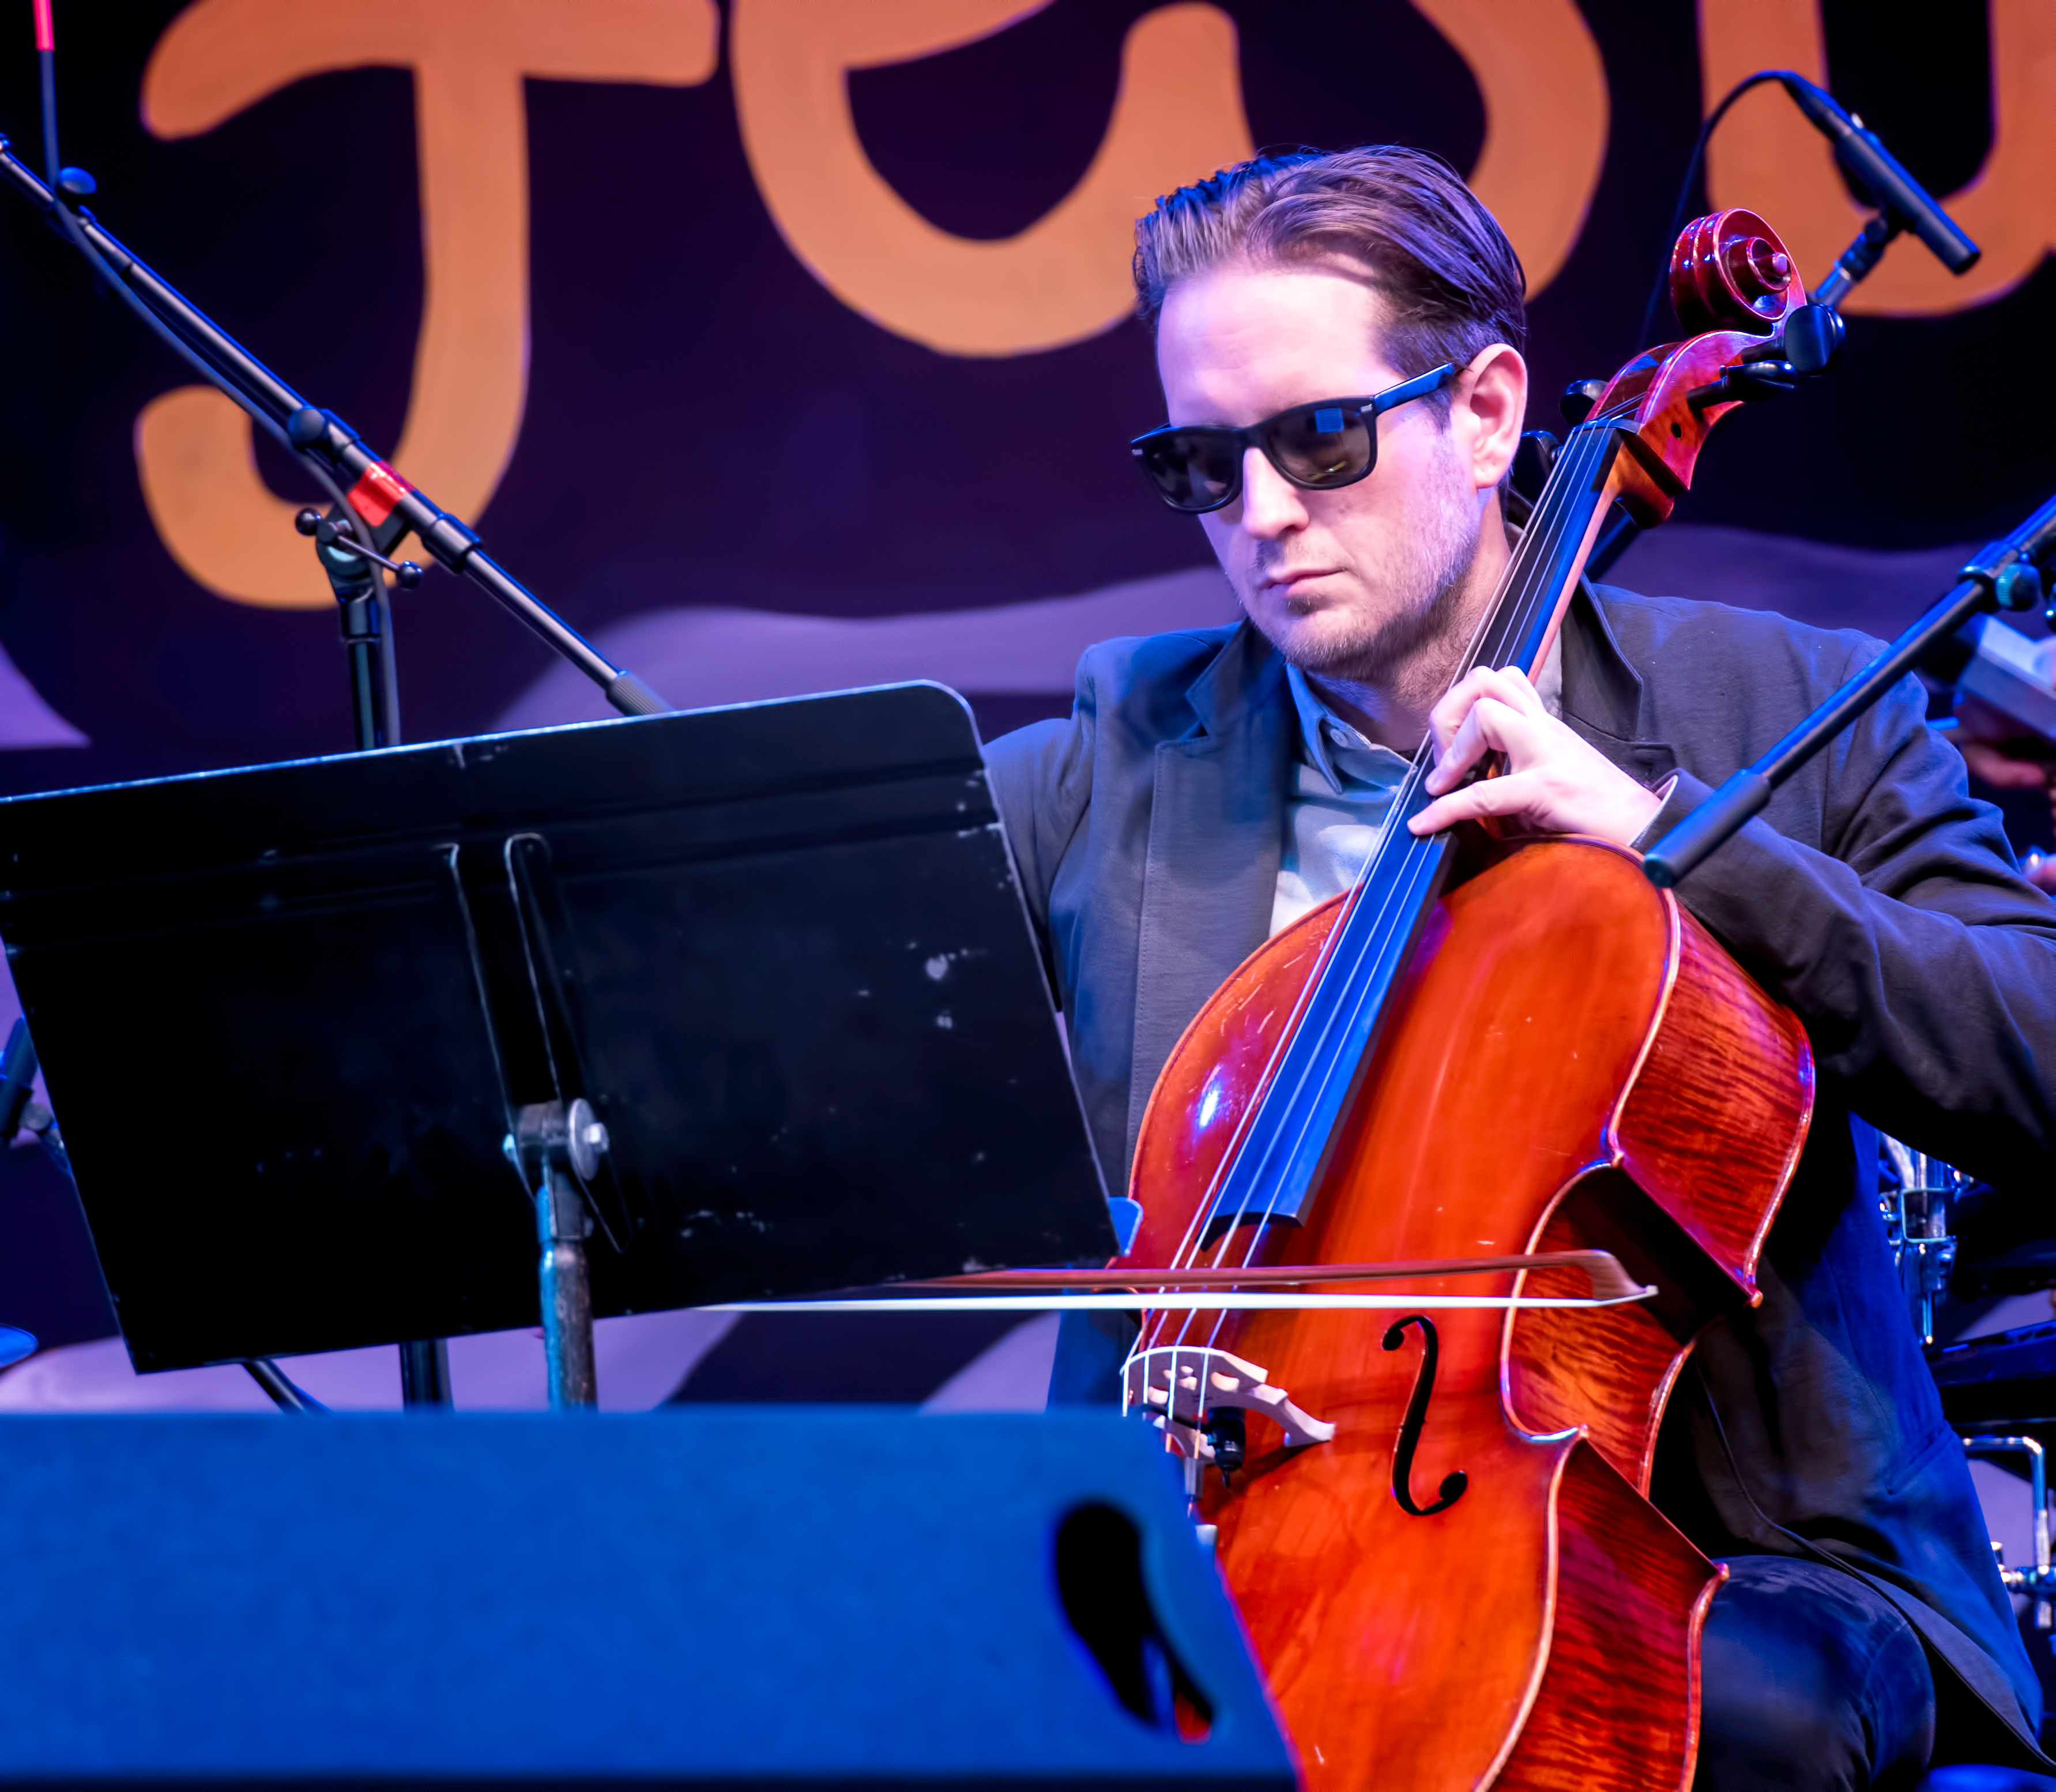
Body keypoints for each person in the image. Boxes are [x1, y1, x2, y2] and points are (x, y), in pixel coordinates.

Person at [982, 146, 2056, 1790]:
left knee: (1723, 1721)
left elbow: (2041, 1046)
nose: (1262, 516)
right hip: (1216, 1551)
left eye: (1322, 439)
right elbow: (815, 1011)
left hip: (1743, 1561)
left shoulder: (1796, 711)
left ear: (1487, 412)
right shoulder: (1116, 754)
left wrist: (1676, 843)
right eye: (1204, 465)